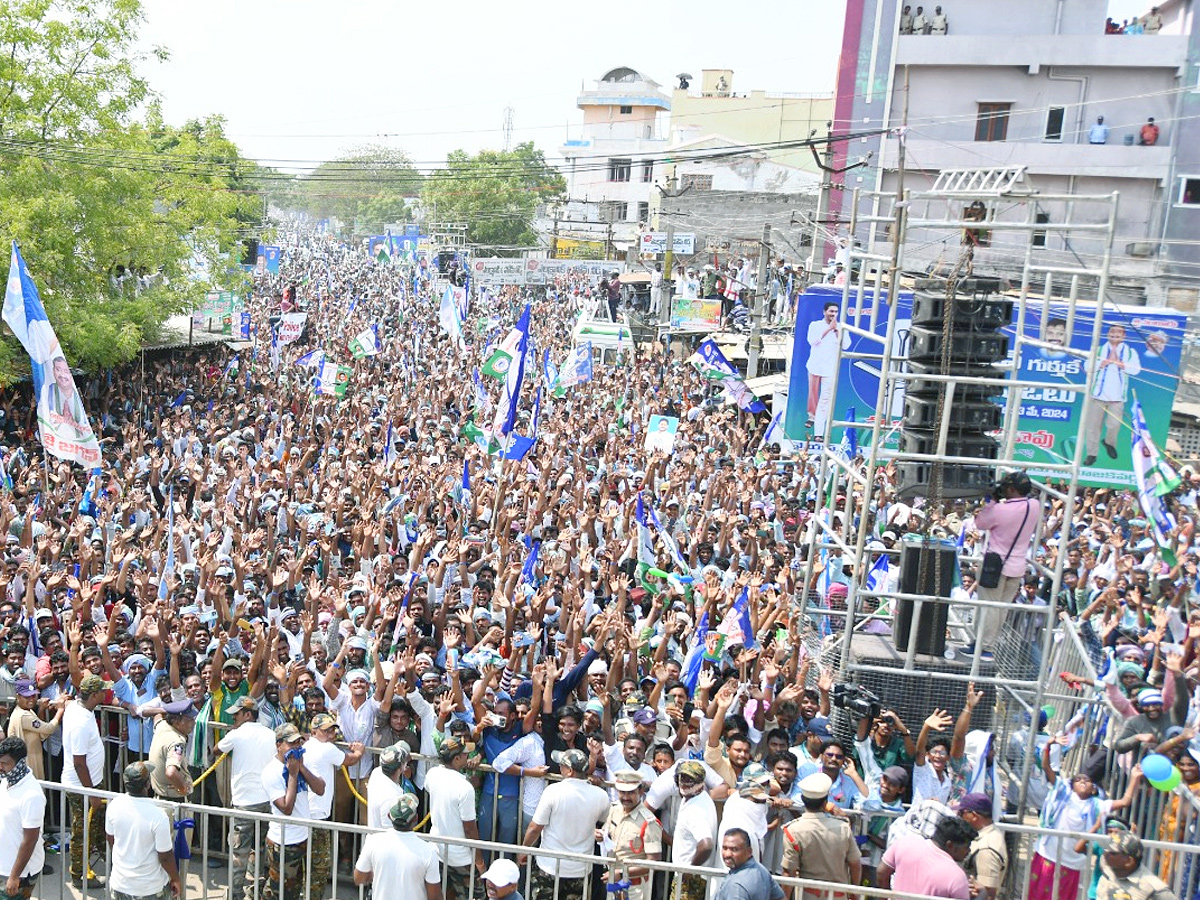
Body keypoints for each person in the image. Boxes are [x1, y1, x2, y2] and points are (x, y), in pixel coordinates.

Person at [521, 748, 610, 900]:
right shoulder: (601, 796)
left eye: (561, 765)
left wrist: (523, 850)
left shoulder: (553, 791)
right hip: (580, 870)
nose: (559, 768)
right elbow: (604, 821)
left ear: (569, 771)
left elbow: (535, 828)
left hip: (548, 867)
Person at [969, 471, 1040, 655]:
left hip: (995, 564)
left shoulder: (999, 509)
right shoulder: (1034, 505)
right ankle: (986, 644)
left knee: (990, 606)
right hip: (1017, 567)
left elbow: (980, 523)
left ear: (1012, 489)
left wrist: (991, 501)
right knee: (1001, 608)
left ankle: (984, 646)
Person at [217, 696, 279, 900]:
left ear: (247, 714)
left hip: (244, 803)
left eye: (236, 714)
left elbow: (217, 749)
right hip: (267, 801)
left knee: (239, 853)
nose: (234, 717)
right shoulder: (271, 734)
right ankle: (255, 891)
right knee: (261, 849)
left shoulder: (237, 734)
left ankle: (235, 895)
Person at [262, 723, 327, 900]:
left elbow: (320, 789)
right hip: (283, 842)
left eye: (299, 743)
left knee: (292, 888)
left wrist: (301, 769)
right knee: (279, 892)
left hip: (302, 837)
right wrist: (292, 775)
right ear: (279, 745)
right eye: (291, 744)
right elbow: (286, 808)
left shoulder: (300, 763)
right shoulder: (271, 772)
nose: (296, 748)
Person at [105, 761, 181, 900]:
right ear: (147, 784)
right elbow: (165, 856)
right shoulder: (158, 816)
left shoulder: (114, 805)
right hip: (150, 888)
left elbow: (111, 840)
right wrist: (175, 878)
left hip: (120, 884)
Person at [780, 772, 860, 896]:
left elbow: (789, 871)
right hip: (838, 895)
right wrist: (855, 894)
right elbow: (855, 863)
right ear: (825, 802)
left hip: (807, 895)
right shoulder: (843, 828)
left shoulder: (793, 830)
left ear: (802, 799)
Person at [63, 672, 107, 888]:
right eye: (102, 691)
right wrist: (92, 794)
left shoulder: (78, 708)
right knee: (82, 831)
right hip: (82, 787)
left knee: (96, 825)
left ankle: (104, 859)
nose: (105, 693)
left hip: (90, 783)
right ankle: (79, 874)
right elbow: (79, 762)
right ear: (94, 694)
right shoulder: (80, 721)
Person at [425, 735, 484, 900]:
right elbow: (470, 829)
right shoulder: (464, 788)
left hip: (437, 849)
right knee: (476, 896)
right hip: (460, 856)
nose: (468, 756)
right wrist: (480, 862)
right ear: (457, 758)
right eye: (465, 754)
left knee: (442, 893)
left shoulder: (432, 774)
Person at [352, 794, 442, 900]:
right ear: (416, 819)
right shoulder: (429, 851)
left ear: (389, 816)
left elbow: (358, 878)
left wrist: (377, 874)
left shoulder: (373, 842)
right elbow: (435, 896)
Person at [878, 815, 977, 899]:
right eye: (966, 847)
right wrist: (982, 894)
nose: (968, 851)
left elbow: (881, 872)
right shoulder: (957, 876)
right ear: (950, 845)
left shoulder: (906, 842)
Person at [1083, 323, 1141, 465]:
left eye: (1118, 332)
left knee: (1114, 425)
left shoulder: (1129, 352)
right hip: (1097, 396)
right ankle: (1091, 454)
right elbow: (1086, 367)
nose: (1115, 334)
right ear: (1108, 334)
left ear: (1124, 335)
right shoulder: (1098, 350)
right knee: (1093, 427)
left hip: (1117, 398)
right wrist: (1103, 362)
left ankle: (1109, 442)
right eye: (1112, 332)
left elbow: (1136, 370)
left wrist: (1120, 363)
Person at [601, 771, 663, 900]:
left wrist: (623, 873)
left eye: (630, 792)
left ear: (641, 792)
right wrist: (601, 836)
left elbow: (654, 862)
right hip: (613, 881)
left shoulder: (649, 822)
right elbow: (607, 832)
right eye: (622, 792)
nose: (625, 797)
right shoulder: (615, 810)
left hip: (635, 888)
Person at [0, 737, 45, 900]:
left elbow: (30, 840)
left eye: (5, 764)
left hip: (19, 874)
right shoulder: (6, 782)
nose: (1, 767)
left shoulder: (32, 795)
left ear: (19, 763)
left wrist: (14, 876)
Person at [671, 761, 718, 900]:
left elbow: (706, 845)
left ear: (701, 783)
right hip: (695, 876)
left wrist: (689, 870)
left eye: (690, 779)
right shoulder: (698, 798)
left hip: (691, 880)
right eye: (682, 777)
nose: (684, 783)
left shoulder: (695, 810)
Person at [805, 302, 849, 435]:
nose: (833, 314)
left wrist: (836, 332)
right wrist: (829, 329)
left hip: (830, 369)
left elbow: (846, 345)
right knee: (813, 394)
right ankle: (811, 416)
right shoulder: (815, 325)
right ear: (824, 312)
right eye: (831, 311)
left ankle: (819, 431)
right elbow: (812, 341)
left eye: (836, 312)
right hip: (814, 366)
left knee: (825, 400)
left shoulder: (841, 328)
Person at [955, 793, 1007, 900]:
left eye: (961, 813)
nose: (958, 817)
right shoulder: (991, 834)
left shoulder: (986, 850)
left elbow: (988, 894)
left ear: (973, 816)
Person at [1096, 833, 1176, 900]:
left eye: (1113, 853)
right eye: (1106, 849)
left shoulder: (1154, 889)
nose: (1106, 854)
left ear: (1129, 861)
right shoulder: (1106, 867)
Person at [714, 828, 785, 900]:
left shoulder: (736, 886)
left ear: (749, 852)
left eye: (734, 849)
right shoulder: (761, 870)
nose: (727, 854)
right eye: (725, 848)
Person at [365, 743, 409, 830]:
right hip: (384, 841)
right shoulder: (391, 796)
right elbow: (389, 828)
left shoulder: (376, 773)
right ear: (402, 767)